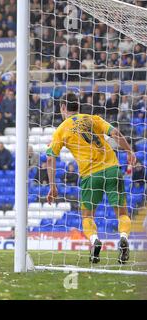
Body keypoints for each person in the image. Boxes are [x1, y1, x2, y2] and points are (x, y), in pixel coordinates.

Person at [46, 93, 135, 264]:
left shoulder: (61, 130)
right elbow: (115, 133)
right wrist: (129, 152)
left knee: (87, 217)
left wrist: (52, 186)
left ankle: (94, 241)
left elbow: (50, 158)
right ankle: (123, 237)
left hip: (90, 176)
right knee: (122, 213)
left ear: (63, 108)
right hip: (112, 170)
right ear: (78, 107)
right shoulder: (94, 118)